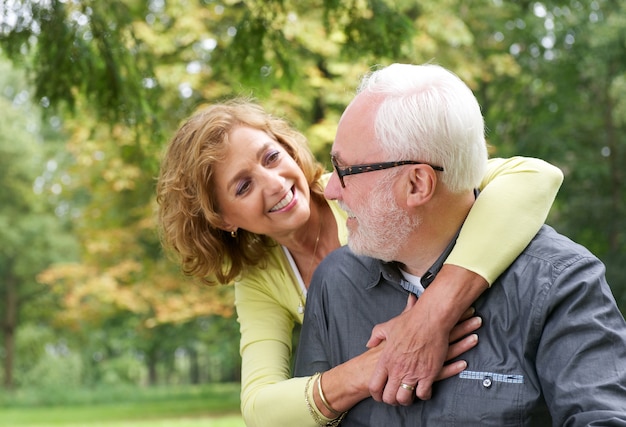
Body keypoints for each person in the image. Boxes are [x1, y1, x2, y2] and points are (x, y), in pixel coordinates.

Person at [156, 97, 563, 426]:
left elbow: (535, 177)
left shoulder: (363, 189)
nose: (276, 183)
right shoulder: (260, 278)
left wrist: (433, 313)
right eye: (243, 186)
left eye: (271, 158)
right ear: (222, 218)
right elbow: (261, 408)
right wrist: (372, 367)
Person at [294, 63, 626, 426]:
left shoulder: (560, 284)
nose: (330, 190)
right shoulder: (336, 281)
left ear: (417, 184)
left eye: (345, 171)